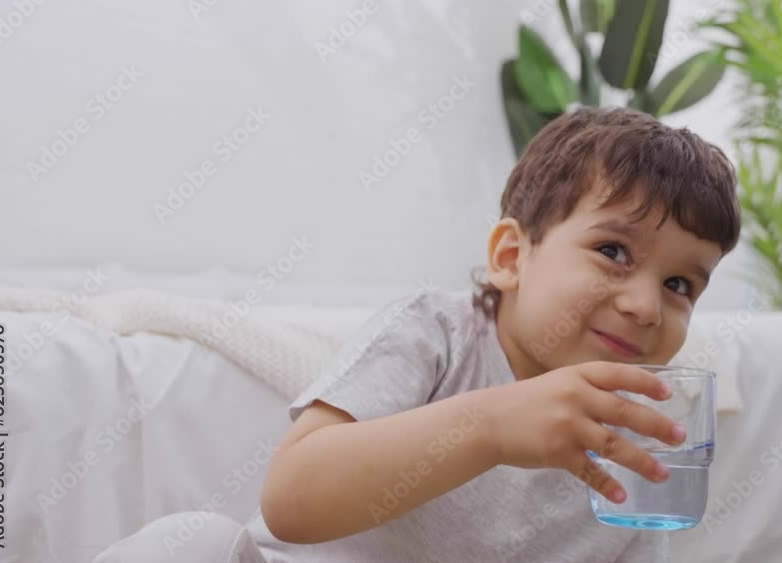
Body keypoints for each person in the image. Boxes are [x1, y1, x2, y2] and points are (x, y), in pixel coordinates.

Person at [94, 106, 741, 562]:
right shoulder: (437, 333)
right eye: (614, 251)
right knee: (188, 542)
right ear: (512, 257)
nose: (646, 305)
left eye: (680, 285)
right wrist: (490, 424)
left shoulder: (633, 430)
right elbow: (292, 498)